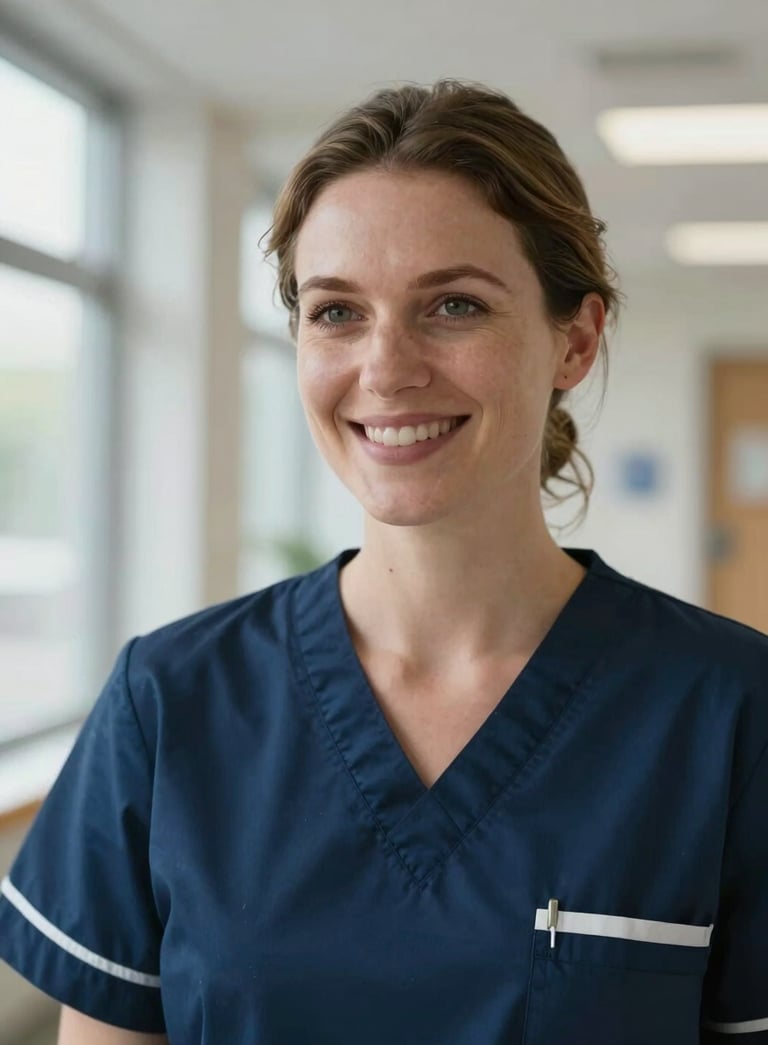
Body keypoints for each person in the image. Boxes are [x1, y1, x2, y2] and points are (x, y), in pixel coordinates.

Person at [0, 79, 766, 1045]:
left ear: (574, 338)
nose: (387, 367)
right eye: (336, 312)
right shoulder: (172, 700)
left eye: (453, 304)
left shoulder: (730, 710)